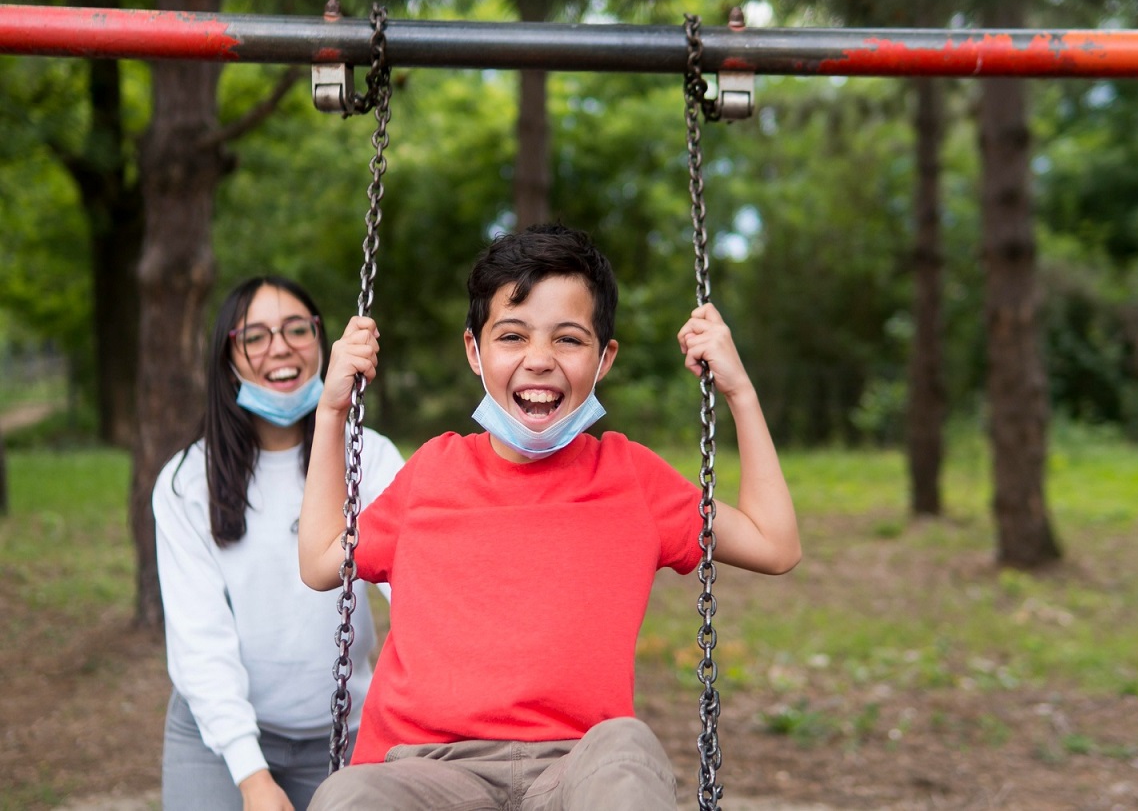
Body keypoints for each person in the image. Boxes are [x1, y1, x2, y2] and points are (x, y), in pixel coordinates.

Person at [298, 224, 801, 810]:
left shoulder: (629, 476)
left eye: (568, 339)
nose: (539, 360)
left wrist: (737, 389)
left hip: (575, 769)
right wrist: (332, 412)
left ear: (603, 357)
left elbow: (775, 544)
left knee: (626, 747)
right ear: (474, 351)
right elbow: (318, 562)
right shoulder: (434, 471)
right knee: (350, 795)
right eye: (512, 336)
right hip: (428, 771)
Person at [152, 276, 404, 811]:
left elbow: (415, 590)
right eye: (256, 337)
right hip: (219, 741)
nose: (281, 347)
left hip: (346, 730)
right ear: (228, 357)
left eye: (296, 329)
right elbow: (200, 640)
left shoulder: (372, 459)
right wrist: (252, 778)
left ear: (323, 342)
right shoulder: (187, 481)